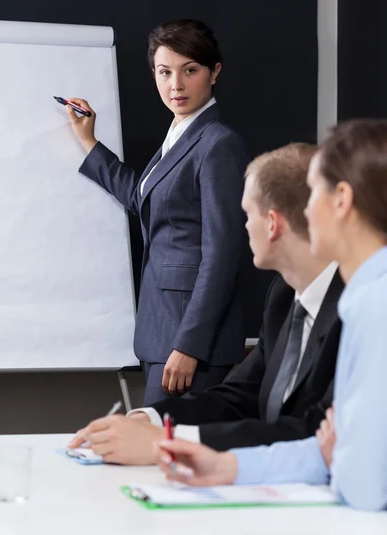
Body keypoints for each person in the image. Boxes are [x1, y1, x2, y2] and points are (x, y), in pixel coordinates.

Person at [156, 119, 387, 512]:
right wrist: (227, 466)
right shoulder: (361, 296)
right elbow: (328, 449)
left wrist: (341, 458)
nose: (300, 210)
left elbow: (365, 485)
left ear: (341, 200)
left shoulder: (375, 304)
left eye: (312, 192)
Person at [68, 143, 344, 464]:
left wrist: (167, 441)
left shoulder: (358, 309)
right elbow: (239, 395)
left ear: (272, 224)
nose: (242, 226)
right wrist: (153, 419)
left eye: (246, 213)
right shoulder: (283, 296)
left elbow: (316, 434)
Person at [66, 19, 251, 405]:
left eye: (190, 70)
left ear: (214, 72)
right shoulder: (180, 134)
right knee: (158, 452)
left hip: (191, 342)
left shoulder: (218, 144)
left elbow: (222, 255)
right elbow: (143, 198)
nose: (176, 85)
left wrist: (189, 346)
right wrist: (89, 144)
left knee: (164, 454)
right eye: (165, 72)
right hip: (162, 329)